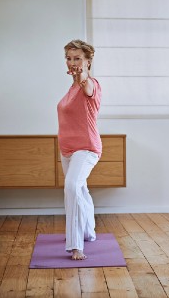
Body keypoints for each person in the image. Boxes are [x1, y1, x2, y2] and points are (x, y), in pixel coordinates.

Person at [57, 39, 102, 260]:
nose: (72, 62)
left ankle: (75, 245)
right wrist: (77, 78)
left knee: (72, 187)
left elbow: (87, 85)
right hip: (67, 149)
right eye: (69, 58)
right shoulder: (72, 87)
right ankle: (88, 232)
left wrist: (82, 76)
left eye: (77, 59)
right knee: (80, 191)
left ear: (88, 62)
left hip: (86, 148)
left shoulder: (90, 84)